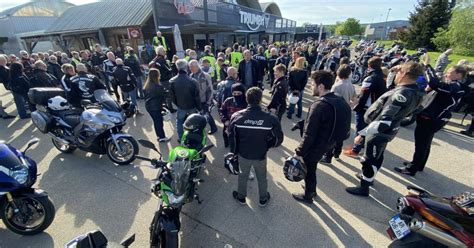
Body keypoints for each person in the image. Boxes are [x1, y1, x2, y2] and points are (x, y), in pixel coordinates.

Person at [346, 62, 425, 196]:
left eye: (399, 72)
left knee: (369, 159)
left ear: (404, 74)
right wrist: (396, 70)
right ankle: (369, 178)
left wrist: (362, 134)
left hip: (378, 132)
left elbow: (384, 121)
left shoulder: (402, 93)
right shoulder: (415, 90)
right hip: (388, 130)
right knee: (378, 156)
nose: (396, 74)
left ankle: (364, 187)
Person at [395, 63, 467, 176]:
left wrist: (427, 67)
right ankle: (419, 164)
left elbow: (434, 84)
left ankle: (411, 168)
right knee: (425, 143)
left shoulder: (455, 86)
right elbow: (436, 86)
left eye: (450, 72)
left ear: (458, 75)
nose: (447, 73)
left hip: (431, 118)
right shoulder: (453, 85)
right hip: (432, 117)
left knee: (421, 144)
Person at [292, 71, 351, 203]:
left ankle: (309, 194)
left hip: (318, 144)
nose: (310, 87)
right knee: (312, 166)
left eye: (312, 84)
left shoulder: (319, 105)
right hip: (331, 142)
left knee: (309, 167)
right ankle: (311, 187)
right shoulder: (338, 98)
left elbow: (309, 134)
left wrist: (299, 152)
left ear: (320, 87)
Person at [229, 87, 283, 207]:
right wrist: (267, 146)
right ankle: (263, 199)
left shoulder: (237, 116)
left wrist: (234, 152)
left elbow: (231, 137)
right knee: (262, 177)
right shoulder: (271, 118)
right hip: (260, 154)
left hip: (243, 154)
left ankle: (241, 197)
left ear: (247, 99)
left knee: (243, 175)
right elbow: (279, 139)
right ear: (260, 100)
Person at [343, 56, 387, 158]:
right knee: (368, 128)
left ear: (369, 65)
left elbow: (364, 95)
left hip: (366, 108)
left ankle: (355, 150)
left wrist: (358, 107)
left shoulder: (370, 78)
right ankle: (362, 147)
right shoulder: (382, 77)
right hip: (376, 107)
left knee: (360, 128)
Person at [320, 64, 357, 165]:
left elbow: (330, 98)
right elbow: (355, 99)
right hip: (346, 111)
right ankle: (337, 153)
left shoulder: (336, 86)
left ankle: (328, 157)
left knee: (332, 135)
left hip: (336, 112)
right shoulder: (351, 85)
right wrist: (350, 105)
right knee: (341, 134)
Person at [169, 59, 201, 140]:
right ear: (186, 67)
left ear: (177, 67)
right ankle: (193, 138)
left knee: (179, 122)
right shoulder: (193, 81)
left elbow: (172, 97)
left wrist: (178, 104)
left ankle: (181, 138)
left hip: (181, 106)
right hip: (192, 106)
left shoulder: (172, 81)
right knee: (193, 122)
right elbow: (197, 97)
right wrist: (199, 108)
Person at [189, 60, 217, 134]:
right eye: (190, 67)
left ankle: (214, 128)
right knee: (199, 116)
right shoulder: (191, 76)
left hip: (204, 100)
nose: (191, 69)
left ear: (197, 66)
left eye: (192, 67)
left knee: (207, 115)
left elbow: (210, 90)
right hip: (196, 101)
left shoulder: (205, 75)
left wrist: (208, 102)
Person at [144, 68, 170, 143]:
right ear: (156, 76)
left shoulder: (147, 85)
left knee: (156, 122)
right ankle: (162, 137)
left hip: (149, 106)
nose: (160, 75)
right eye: (159, 74)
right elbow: (164, 95)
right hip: (155, 107)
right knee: (159, 122)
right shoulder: (158, 86)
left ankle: (159, 136)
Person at [219, 83, 247, 148]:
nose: (236, 95)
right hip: (229, 123)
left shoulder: (246, 102)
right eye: (234, 94)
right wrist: (225, 120)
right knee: (227, 136)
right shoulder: (228, 101)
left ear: (243, 93)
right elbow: (222, 111)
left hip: (241, 124)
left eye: (239, 93)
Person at [149, 46, 175, 112]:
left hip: (157, 80)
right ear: (161, 52)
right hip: (165, 79)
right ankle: (170, 108)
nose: (165, 52)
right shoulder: (162, 60)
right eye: (164, 51)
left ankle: (164, 105)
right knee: (168, 94)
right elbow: (168, 70)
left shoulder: (154, 59)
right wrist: (172, 66)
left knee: (161, 93)